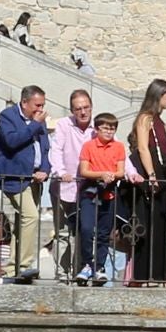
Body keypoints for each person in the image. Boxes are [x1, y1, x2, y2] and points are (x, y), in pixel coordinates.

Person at [0, 85, 49, 279]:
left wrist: (45, 169)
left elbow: (45, 148)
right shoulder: (7, 117)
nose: (40, 109)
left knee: (22, 222)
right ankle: (24, 265)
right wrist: (34, 124)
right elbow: (11, 142)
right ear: (24, 103)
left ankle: (12, 268)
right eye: (37, 105)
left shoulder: (38, 120)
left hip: (35, 179)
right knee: (31, 216)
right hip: (15, 177)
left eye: (42, 105)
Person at [128, 78, 166, 285]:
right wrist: (151, 174)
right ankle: (143, 274)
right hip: (151, 174)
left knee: (161, 225)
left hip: (163, 174)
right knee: (148, 224)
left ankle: (159, 274)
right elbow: (143, 147)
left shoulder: (160, 121)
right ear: (159, 95)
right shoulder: (145, 118)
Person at [49, 88, 95, 282]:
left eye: (86, 107)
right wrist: (60, 172)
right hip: (63, 187)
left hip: (87, 189)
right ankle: (62, 274)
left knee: (85, 231)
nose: (83, 112)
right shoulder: (63, 125)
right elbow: (56, 150)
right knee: (62, 233)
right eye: (78, 109)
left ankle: (80, 272)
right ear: (72, 110)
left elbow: (115, 150)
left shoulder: (98, 127)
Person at [76, 114, 126, 283]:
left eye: (112, 128)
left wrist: (111, 176)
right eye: (105, 128)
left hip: (109, 193)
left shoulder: (118, 147)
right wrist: (101, 174)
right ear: (97, 129)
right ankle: (87, 264)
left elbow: (120, 171)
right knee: (87, 229)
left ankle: (99, 266)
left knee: (104, 233)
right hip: (90, 193)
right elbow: (84, 170)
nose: (109, 131)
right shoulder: (88, 146)